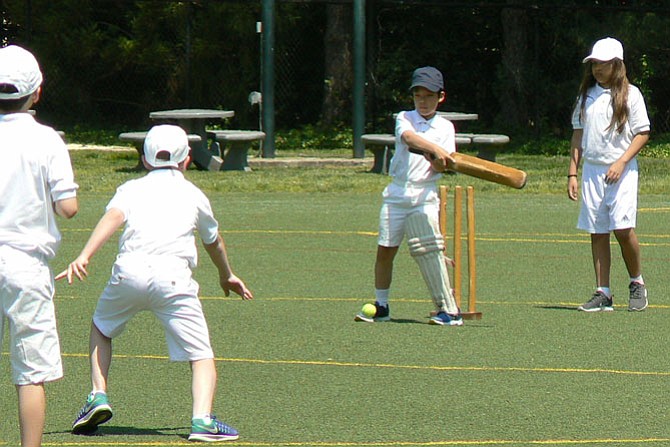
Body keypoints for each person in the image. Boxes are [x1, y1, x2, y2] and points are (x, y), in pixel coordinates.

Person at [56, 124, 253, 442]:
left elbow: (113, 219)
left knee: (101, 328)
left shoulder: (130, 189)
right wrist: (226, 274)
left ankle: (98, 394)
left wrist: (85, 255)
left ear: (146, 160)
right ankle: (202, 420)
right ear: (188, 159)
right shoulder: (194, 194)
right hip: (174, 280)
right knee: (201, 354)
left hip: (129, 273)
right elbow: (213, 241)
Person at [0, 45, 79, 447]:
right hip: (26, 265)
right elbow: (68, 208)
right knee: (30, 370)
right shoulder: (47, 140)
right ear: (37, 93)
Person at [354, 66, 462, 326]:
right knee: (385, 251)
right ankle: (382, 305)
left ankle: (449, 310)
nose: (423, 102)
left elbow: (441, 167)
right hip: (397, 193)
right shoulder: (405, 117)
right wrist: (433, 149)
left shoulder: (446, 127)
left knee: (430, 252)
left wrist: (438, 161)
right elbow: (408, 138)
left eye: (429, 96)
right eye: (418, 96)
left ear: (441, 96)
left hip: (424, 194)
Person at [567, 37, 650, 312]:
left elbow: (643, 133)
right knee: (597, 230)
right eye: (594, 65)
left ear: (617, 65)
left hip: (621, 171)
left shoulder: (632, 95)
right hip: (592, 170)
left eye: (602, 64)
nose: (597, 70)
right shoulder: (586, 96)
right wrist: (572, 173)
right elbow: (578, 135)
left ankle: (637, 283)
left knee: (623, 229)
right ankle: (603, 292)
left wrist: (622, 162)